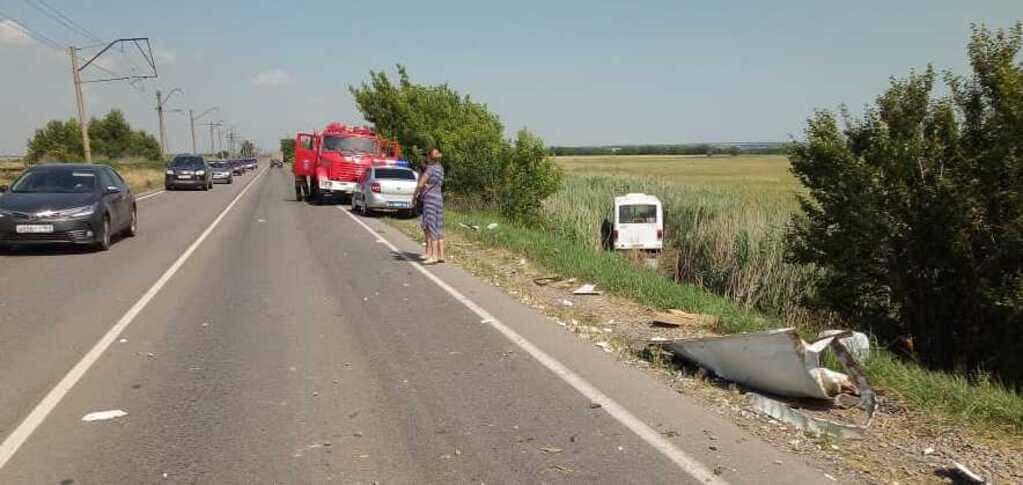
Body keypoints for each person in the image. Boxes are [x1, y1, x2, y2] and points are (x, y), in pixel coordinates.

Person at [414, 147, 445, 264]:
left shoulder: (430, 169)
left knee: (430, 227)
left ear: (429, 157)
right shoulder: (441, 169)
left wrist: (414, 196)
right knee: (438, 226)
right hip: (439, 199)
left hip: (430, 200)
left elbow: (420, 184)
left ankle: (433, 256)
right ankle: (441, 255)